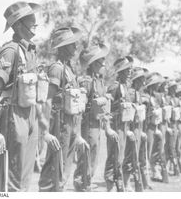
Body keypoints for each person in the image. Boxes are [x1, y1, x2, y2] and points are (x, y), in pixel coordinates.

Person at [0, 1, 42, 191]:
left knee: (24, 180)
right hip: (13, 118)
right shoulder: (10, 51)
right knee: (10, 180)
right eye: (31, 21)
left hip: (30, 116)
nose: (36, 25)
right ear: (18, 25)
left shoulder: (31, 50)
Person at [38, 27, 91, 192]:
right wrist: (45, 132)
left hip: (70, 125)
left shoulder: (70, 69)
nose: (76, 47)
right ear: (63, 47)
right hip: (59, 125)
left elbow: (76, 106)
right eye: (72, 44)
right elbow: (47, 100)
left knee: (63, 170)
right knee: (55, 169)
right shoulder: (57, 68)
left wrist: (78, 134)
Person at [78, 43, 112, 183]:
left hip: (97, 123)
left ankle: (87, 180)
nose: (103, 64)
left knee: (95, 154)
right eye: (101, 61)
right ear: (93, 63)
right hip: (88, 123)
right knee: (87, 153)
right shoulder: (87, 81)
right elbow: (81, 106)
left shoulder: (99, 81)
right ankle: (82, 181)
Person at [105, 56, 135, 191]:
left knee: (119, 160)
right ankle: (110, 189)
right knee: (113, 159)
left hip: (123, 128)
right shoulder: (114, 87)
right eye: (127, 70)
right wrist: (108, 129)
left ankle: (119, 185)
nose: (130, 72)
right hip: (115, 128)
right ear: (120, 71)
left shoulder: (125, 87)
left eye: (130, 70)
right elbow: (107, 110)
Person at [129, 67, 152, 189]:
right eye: (142, 80)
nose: (144, 83)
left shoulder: (138, 93)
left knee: (138, 157)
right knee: (132, 157)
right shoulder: (132, 93)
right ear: (137, 80)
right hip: (132, 130)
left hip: (139, 129)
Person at [144, 73, 169, 183]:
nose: (157, 86)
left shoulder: (156, 97)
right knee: (147, 151)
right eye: (155, 84)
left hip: (154, 127)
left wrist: (157, 128)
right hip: (147, 127)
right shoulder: (146, 97)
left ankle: (154, 171)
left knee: (157, 149)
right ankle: (146, 176)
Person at [165, 80, 180, 176]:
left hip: (175, 125)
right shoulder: (166, 99)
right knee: (168, 147)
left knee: (173, 147)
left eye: (175, 87)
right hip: (168, 126)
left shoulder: (177, 100)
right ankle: (169, 167)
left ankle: (173, 166)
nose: (174, 89)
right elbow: (165, 115)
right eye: (172, 88)